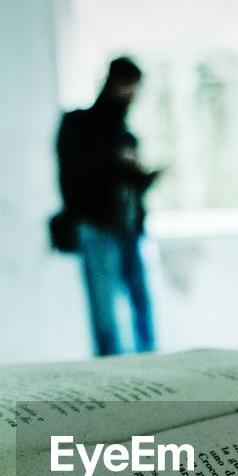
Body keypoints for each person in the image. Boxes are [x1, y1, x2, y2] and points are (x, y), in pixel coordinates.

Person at [55, 57, 160, 357]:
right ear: (114, 83)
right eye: (129, 86)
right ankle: (110, 373)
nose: (132, 95)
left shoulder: (125, 133)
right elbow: (73, 174)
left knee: (142, 305)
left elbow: (130, 183)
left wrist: (143, 177)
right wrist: (114, 161)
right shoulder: (79, 124)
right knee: (105, 312)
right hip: (97, 226)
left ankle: (151, 368)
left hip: (130, 228)